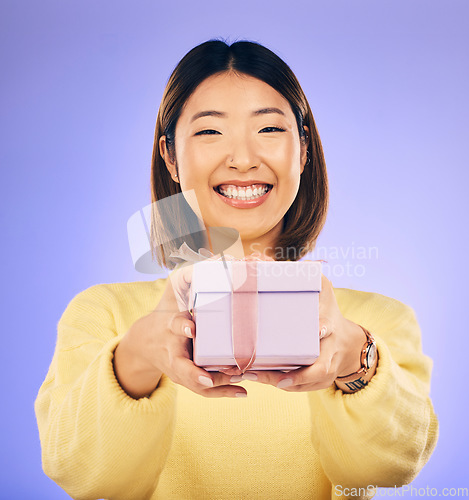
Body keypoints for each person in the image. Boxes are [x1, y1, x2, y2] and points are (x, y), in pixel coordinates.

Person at [35, 39, 439, 500]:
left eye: (268, 129)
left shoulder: (378, 323)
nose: (244, 158)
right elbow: (84, 476)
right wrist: (136, 358)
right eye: (210, 132)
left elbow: (388, 468)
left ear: (303, 149)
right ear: (170, 156)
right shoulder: (104, 314)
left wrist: (354, 359)